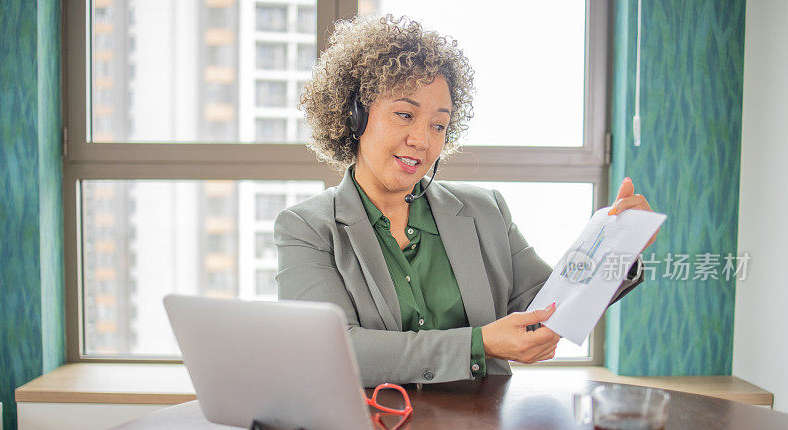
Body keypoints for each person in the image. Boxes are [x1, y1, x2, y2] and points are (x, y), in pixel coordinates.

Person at [274, 16, 656, 387]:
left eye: (438, 125)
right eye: (405, 114)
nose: (422, 140)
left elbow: (548, 307)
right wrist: (479, 344)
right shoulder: (306, 228)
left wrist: (617, 248)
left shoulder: (485, 209)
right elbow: (328, 351)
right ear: (354, 116)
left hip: (482, 428)